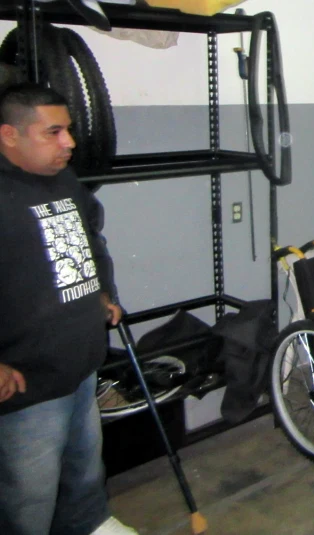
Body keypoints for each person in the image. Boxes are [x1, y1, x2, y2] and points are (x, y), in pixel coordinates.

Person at [0, 84, 137, 535]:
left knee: (84, 470)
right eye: (54, 132)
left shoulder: (63, 179)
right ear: (9, 136)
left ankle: (90, 524)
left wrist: (99, 292)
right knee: (30, 495)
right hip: (29, 383)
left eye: (69, 131)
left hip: (80, 364)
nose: (70, 143)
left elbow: (86, 242)